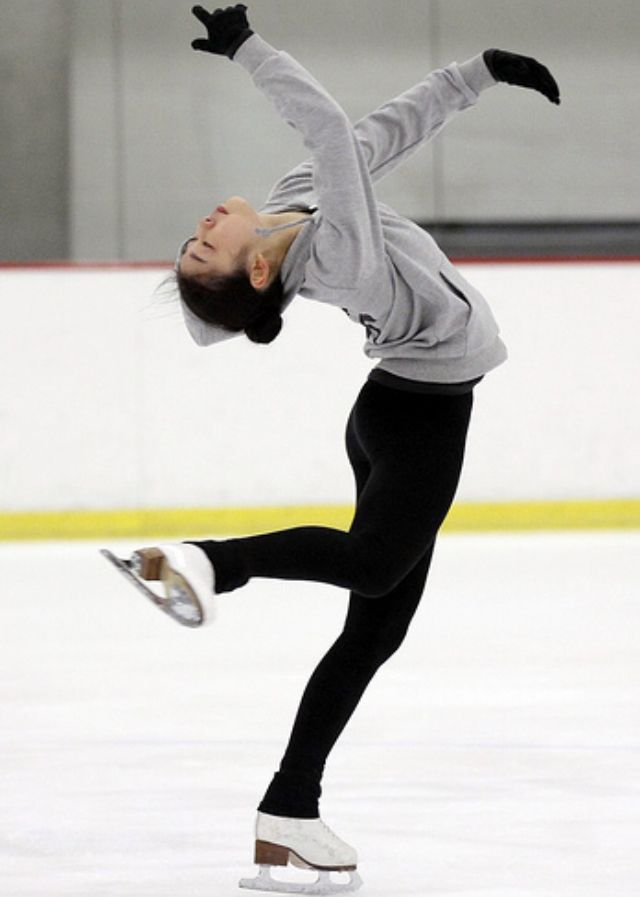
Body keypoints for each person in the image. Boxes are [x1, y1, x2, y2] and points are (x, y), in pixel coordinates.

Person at [116, 5, 561, 893]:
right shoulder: (340, 253)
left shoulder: (296, 199)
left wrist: (476, 73)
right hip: (419, 420)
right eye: (207, 243)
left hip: (394, 414)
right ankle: (207, 563)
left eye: (193, 233)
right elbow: (326, 124)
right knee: (371, 570)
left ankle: (291, 809)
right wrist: (249, 49)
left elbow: (374, 134)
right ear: (255, 272)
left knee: (373, 629)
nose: (204, 220)